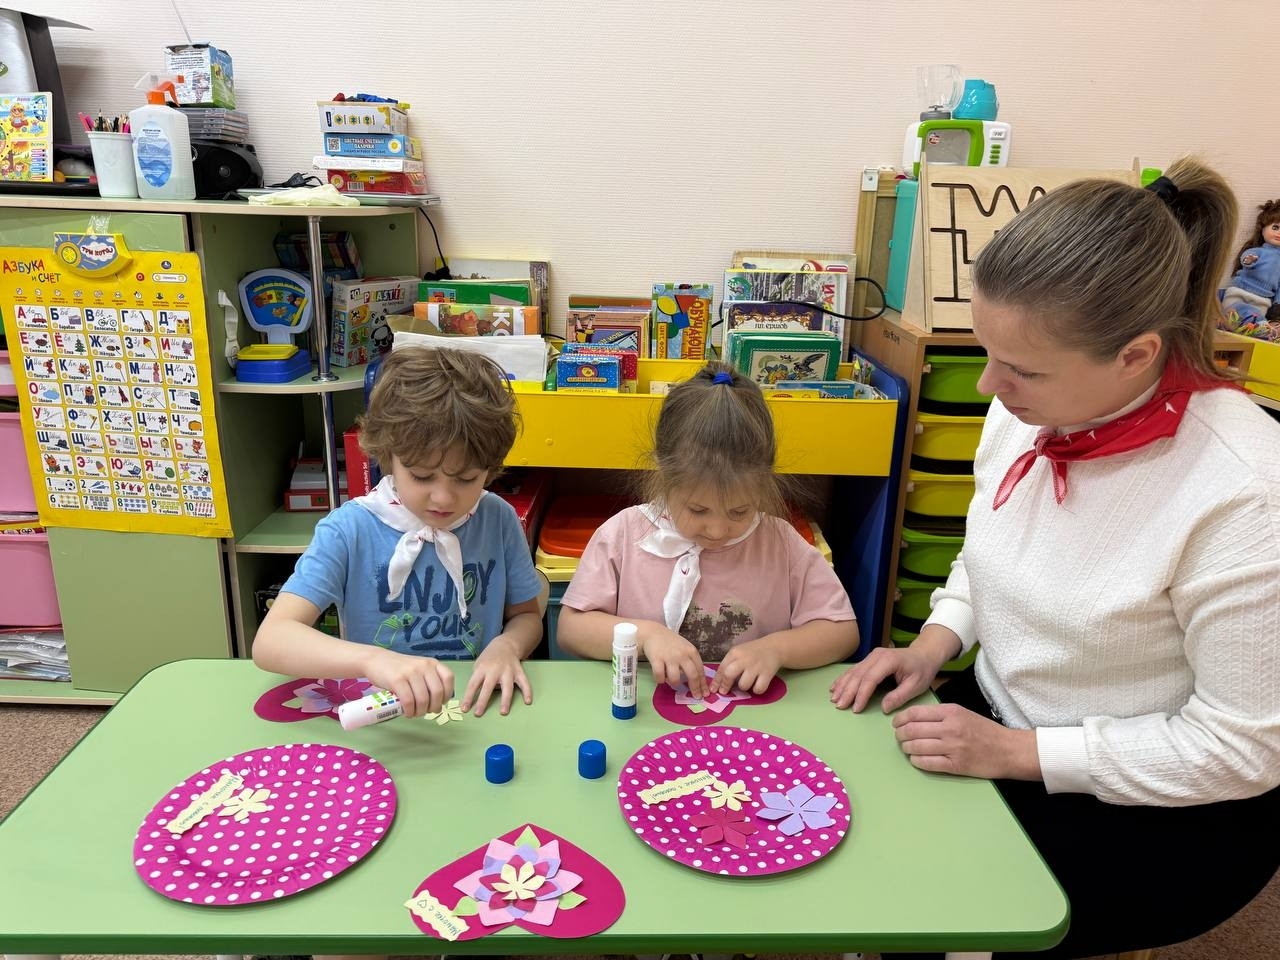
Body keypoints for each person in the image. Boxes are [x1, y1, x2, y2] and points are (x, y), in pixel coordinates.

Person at [831, 159, 1280, 959]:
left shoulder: (1244, 492)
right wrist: (935, 641)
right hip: (1005, 717)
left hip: (1162, 805)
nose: (987, 387)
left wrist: (1017, 754)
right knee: (860, 836)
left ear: (1137, 356)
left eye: (1021, 369)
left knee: (930, 907)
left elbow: (1244, 749)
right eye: (986, 353)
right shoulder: (1032, 408)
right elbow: (991, 548)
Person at [253, 346, 544, 719]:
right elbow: (271, 640)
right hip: (378, 715)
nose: (443, 497)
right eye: (421, 476)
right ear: (388, 456)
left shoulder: (497, 519)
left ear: (490, 468)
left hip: (476, 709)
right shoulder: (350, 529)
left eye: (466, 478)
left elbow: (527, 616)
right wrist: (372, 660)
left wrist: (507, 646)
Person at [557, 360, 859, 697]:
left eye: (739, 511)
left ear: (764, 485)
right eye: (698, 510)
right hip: (641, 709)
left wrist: (777, 649)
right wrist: (646, 637)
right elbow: (570, 629)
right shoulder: (624, 536)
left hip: (754, 717)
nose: (717, 530)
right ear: (663, 475)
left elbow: (842, 632)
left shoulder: (781, 544)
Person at [1220, 198, 1280, 339]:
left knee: (1253, 316)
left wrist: (1278, 303)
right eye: (1275, 227)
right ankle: (1264, 330)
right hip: (1239, 294)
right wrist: (1250, 260)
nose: (1279, 233)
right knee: (1240, 311)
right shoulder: (1259, 251)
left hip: (1262, 302)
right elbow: (1247, 258)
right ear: (1262, 229)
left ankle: (1261, 328)